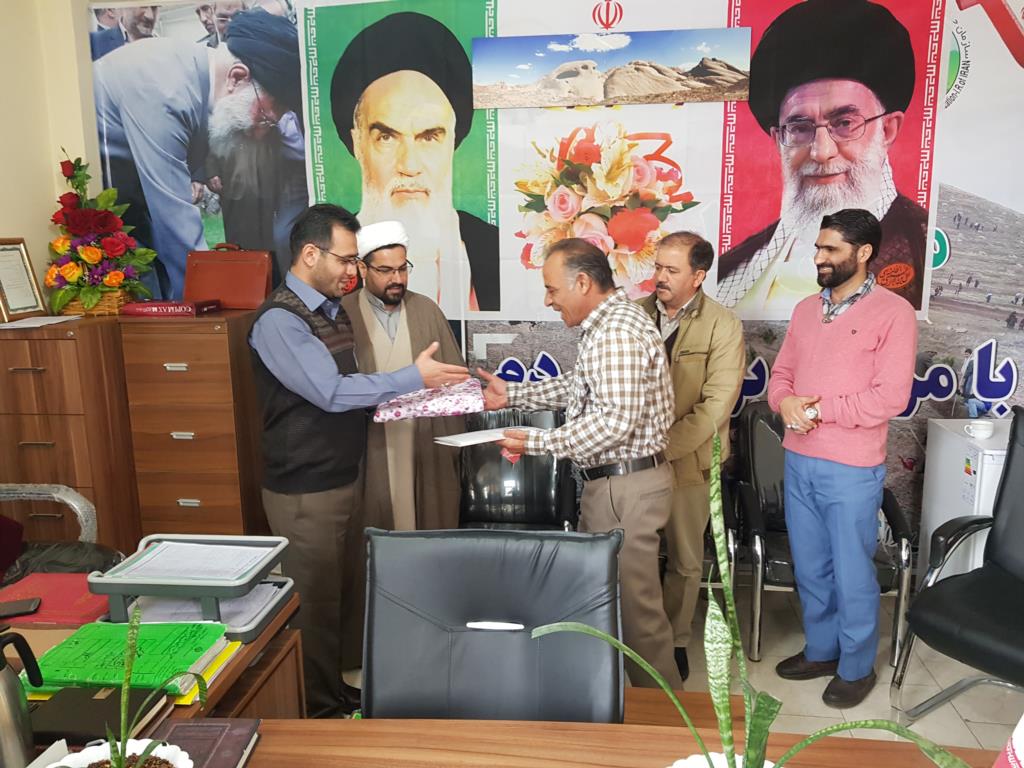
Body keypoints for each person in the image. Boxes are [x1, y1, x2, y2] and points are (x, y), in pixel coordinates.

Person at [249, 204, 469, 717]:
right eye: (348, 260)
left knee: (334, 596)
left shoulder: (328, 311)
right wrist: (412, 378)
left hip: (338, 479)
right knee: (314, 604)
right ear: (311, 254)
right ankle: (318, 712)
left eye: (355, 261)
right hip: (306, 488)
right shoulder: (281, 320)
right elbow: (330, 392)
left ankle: (334, 695)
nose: (351, 270)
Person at [478, 238, 683, 690]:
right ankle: (613, 707)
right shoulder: (609, 324)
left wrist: (536, 442)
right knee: (607, 608)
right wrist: (513, 395)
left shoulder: (617, 332)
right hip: (613, 487)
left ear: (584, 282)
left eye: (552, 289)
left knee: (637, 618)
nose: (548, 300)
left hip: (624, 490)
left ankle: (670, 721)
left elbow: (616, 422)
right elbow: (581, 388)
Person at [767, 208, 916, 708]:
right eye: (818, 247)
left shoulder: (893, 313)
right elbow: (781, 377)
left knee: (852, 571)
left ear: (864, 252)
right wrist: (785, 403)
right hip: (799, 459)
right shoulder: (806, 309)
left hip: (852, 468)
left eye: (830, 249)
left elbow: (889, 398)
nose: (819, 257)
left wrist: (818, 410)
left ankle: (855, 666)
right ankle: (822, 650)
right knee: (810, 567)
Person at [717, 0, 927, 315]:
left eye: (844, 123)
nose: (821, 151)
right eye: (800, 128)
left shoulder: (923, 249)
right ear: (778, 140)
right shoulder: (732, 269)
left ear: (887, 129)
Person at [94, 10, 300, 299]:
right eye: (264, 119)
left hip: (129, 208)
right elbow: (175, 225)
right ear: (237, 77)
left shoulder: (199, 79)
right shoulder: (164, 89)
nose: (259, 134)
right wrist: (215, 310)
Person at [330, 11, 499, 314]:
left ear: (452, 141)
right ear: (357, 143)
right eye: (387, 137)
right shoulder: (334, 259)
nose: (409, 165)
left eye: (429, 137)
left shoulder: (495, 249)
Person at [638, 232, 746, 682]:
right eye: (657, 266)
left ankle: (676, 639)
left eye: (671, 270)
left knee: (684, 560)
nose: (659, 277)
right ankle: (640, 637)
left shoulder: (723, 325)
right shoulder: (634, 315)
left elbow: (716, 405)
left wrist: (659, 447)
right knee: (637, 555)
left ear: (698, 276)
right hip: (634, 463)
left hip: (689, 462)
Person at [90, 6, 159, 61]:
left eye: (154, 7)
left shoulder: (161, 46)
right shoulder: (93, 43)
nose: (150, 16)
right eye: (143, 6)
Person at [960, 348, 991, 419]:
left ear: (970, 354)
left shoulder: (972, 361)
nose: (966, 355)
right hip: (980, 402)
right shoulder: (968, 361)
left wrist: (965, 377)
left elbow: (969, 371)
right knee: (967, 402)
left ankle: (973, 417)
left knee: (968, 392)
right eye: (965, 354)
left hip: (985, 405)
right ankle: (979, 412)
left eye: (967, 354)